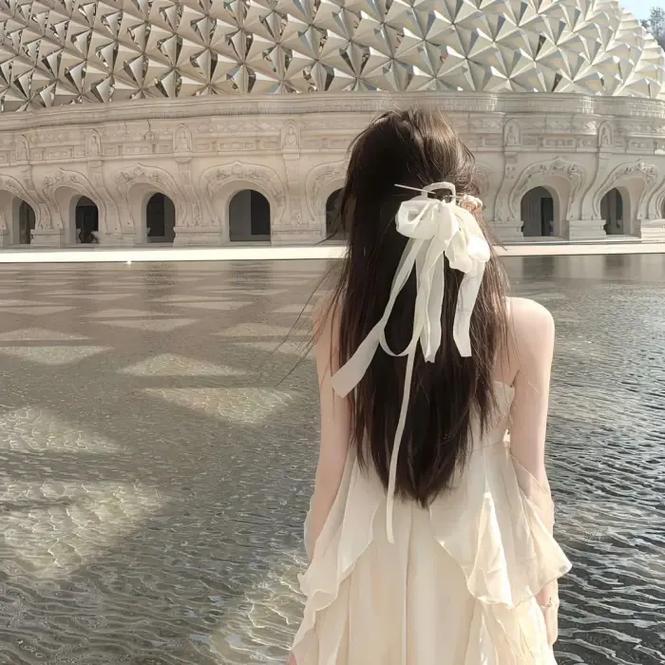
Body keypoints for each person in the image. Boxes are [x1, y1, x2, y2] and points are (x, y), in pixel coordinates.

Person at [288, 107, 572, 664]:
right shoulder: (528, 326)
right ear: (469, 206)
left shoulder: (339, 322)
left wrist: (318, 594)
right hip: (481, 562)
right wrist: (544, 588)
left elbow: (332, 471)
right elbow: (531, 480)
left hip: (370, 555)